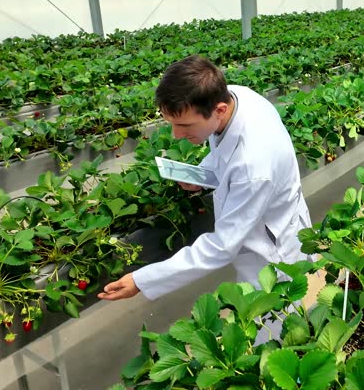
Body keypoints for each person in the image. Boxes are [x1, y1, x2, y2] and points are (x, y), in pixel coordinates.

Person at [97, 55, 311, 302]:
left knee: (272, 327)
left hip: (274, 257)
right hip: (272, 223)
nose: (177, 135)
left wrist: (142, 279)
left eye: (185, 125)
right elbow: (223, 149)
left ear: (218, 110)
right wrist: (204, 174)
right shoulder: (236, 97)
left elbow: (221, 247)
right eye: (173, 124)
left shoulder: (254, 166)